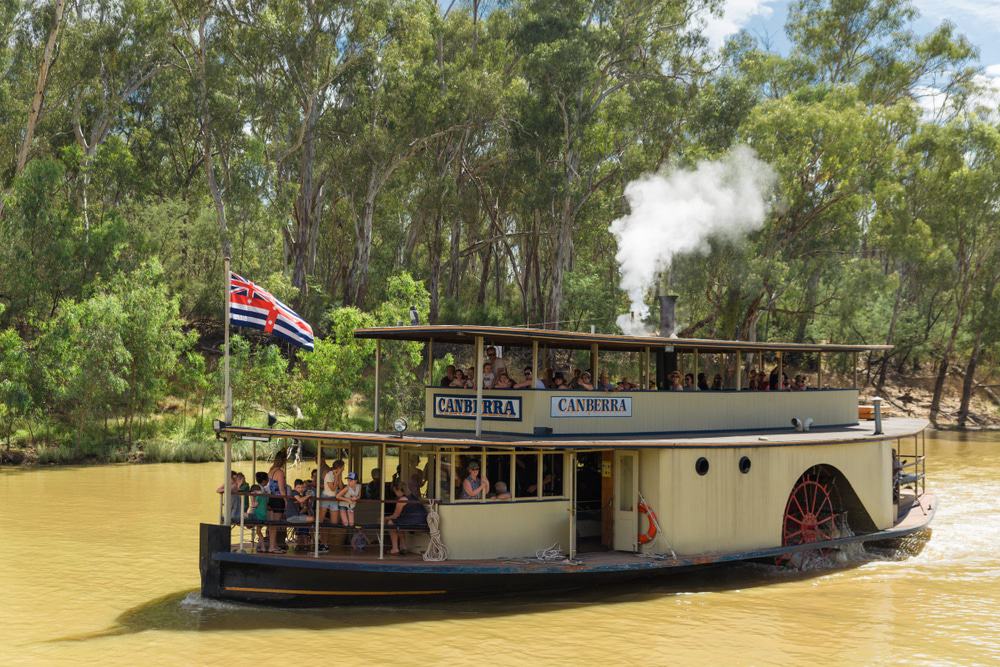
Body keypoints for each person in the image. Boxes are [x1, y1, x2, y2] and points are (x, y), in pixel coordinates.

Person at [386, 481, 428, 555]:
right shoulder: (413, 497)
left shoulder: (402, 500)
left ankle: (395, 549)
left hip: (415, 522)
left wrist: (385, 518)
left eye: (395, 491)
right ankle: (403, 547)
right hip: (423, 521)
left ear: (398, 490)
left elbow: (395, 515)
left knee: (391, 522)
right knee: (399, 523)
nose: (395, 494)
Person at [266, 450, 288, 554]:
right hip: (278, 500)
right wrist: (286, 500)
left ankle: (273, 545)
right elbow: (282, 489)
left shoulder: (271, 470)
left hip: (271, 499)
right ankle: (272, 547)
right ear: (283, 460)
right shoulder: (280, 472)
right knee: (275, 524)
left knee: (271, 524)